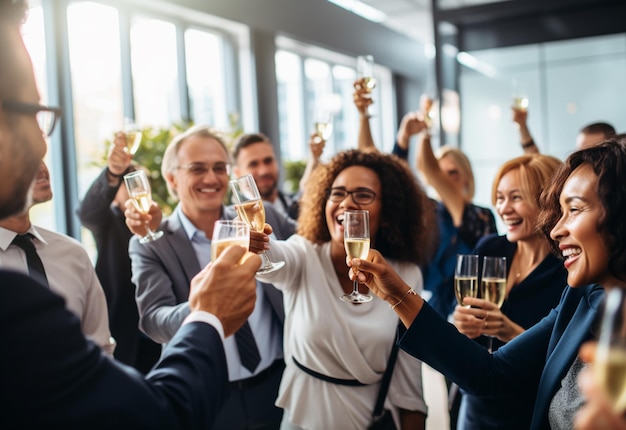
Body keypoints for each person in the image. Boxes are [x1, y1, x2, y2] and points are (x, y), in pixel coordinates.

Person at [0, 1, 261, 427]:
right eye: (27, 112)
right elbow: (153, 415)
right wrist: (208, 314)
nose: (42, 144)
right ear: (173, 179)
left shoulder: (71, 254)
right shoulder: (18, 295)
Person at [349, 138, 626, 430]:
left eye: (575, 209)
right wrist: (397, 296)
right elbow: (491, 373)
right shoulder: (580, 297)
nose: (556, 229)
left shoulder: (566, 281)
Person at [127, 125, 295, 430]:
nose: (211, 178)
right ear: (172, 178)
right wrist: (207, 305)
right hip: (210, 396)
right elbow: (153, 320)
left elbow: (312, 245)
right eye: (197, 168)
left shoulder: (259, 216)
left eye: (220, 168)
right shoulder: (152, 242)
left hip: (278, 384)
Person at [255, 149, 432, 429]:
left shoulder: (406, 273)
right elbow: (272, 259)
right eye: (337, 193)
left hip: (370, 418)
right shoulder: (305, 254)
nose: (346, 203)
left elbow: (409, 377)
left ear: (388, 213)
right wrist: (258, 243)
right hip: (304, 417)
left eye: (362, 195)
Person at [451, 154, 568, 429]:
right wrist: (460, 324)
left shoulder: (567, 270)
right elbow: (463, 324)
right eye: (500, 198)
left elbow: (566, 358)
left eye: (516, 197)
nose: (504, 209)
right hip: (476, 405)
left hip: (528, 410)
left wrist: (509, 332)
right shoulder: (490, 248)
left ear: (547, 200)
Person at [1, 160, 115, 354]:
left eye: (40, 155)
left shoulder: (72, 253)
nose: (41, 167)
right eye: (25, 156)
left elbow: (100, 349)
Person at [77, 132, 161, 372]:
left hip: (157, 330)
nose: (139, 192)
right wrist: (113, 174)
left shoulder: (159, 223)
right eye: (132, 185)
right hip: (122, 330)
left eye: (143, 185)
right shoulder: (108, 222)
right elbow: (87, 213)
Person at [232, 132, 299, 219]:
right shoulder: (231, 222)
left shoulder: (300, 207)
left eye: (268, 161)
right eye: (253, 164)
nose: (264, 171)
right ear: (237, 173)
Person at [512, 105, 616, 153]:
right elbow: (535, 159)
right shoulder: (570, 177)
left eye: (591, 152)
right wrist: (522, 126)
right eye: (578, 151)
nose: (582, 157)